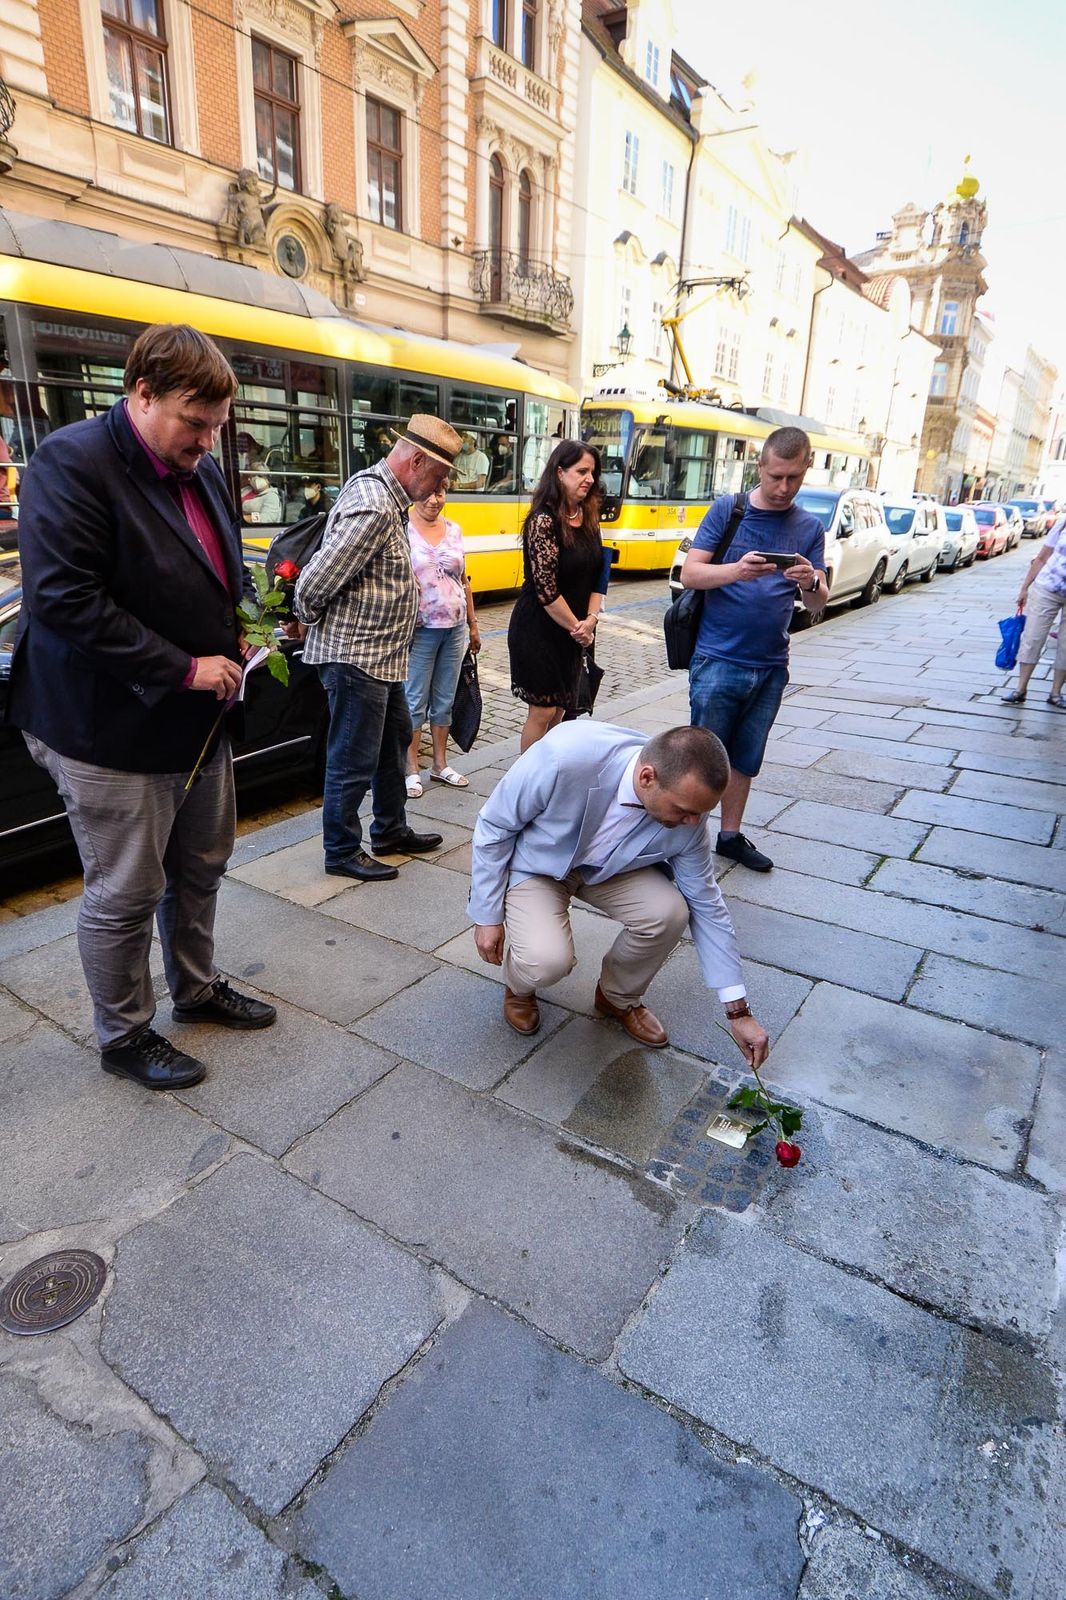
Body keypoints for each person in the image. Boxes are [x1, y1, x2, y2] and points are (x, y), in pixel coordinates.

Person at [5, 323, 277, 1091]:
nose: (206, 442)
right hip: (107, 727)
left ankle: (195, 990)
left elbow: (225, 571)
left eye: (216, 427)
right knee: (127, 888)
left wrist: (255, 621)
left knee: (202, 865)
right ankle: (125, 1035)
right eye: (195, 424)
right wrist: (186, 667)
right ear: (143, 394)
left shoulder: (202, 467)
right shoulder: (70, 463)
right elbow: (64, 601)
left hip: (198, 722)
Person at [469, 721, 769, 1065]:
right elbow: (495, 826)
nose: (693, 823)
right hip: (538, 865)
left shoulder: (690, 815)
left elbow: (707, 903)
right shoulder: (563, 758)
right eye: (685, 811)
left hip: (610, 869)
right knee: (546, 961)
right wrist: (487, 916)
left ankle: (617, 997)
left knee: (669, 911)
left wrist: (738, 1011)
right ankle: (519, 989)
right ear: (647, 778)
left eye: (701, 814)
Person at [294, 415, 462, 881]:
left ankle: (390, 830)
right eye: (438, 476)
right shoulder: (373, 504)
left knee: (392, 749)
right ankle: (341, 850)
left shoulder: (386, 497)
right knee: (353, 757)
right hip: (356, 656)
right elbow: (317, 579)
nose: (438, 488)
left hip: (383, 656)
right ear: (416, 460)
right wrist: (306, 619)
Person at [682, 426, 827, 873]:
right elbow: (690, 574)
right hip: (719, 658)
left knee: (746, 756)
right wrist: (736, 572)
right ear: (760, 466)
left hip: (770, 665)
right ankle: (684, 846)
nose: (783, 488)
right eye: (776, 477)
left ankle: (729, 836)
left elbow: (819, 605)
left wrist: (812, 582)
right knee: (703, 758)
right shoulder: (730, 510)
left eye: (794, 479)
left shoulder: (809, 527)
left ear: (806, 469)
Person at [508, 440, 605, 753]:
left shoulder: (589, 517)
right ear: (560, 473)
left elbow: (599, 576)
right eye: (581, 471)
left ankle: (548, 776)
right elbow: (546, 589)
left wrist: (590, 620)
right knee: (543, 710)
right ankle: (526, 782)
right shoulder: (543, 520)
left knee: (563, 710)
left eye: (592, 472)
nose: (589, 478)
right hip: (540, 629)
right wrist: (579, 628)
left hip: (576, 631)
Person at [404, 481, 481, 794]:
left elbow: (465, 580)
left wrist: (473, 625)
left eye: (440, 492)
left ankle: (439, 764)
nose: (434, 500)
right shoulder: (402, 529)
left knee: (444, 700)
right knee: (413, 700)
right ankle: (411, 768)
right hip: (420, 629)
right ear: (414, 493)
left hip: (455, 627)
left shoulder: (454, 529)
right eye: (428, 492)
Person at [1002, 512, 1066, 708]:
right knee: (1033, 637)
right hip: (1047, 588)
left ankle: (1055, 694)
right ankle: (1020, 689)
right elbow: (1042, 557)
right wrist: (1024, 588)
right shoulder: (1063, 523)